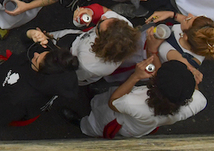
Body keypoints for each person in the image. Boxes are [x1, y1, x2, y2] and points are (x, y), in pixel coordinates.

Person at [0, 32, 80, 130]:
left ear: (42, 73)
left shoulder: (22, 99)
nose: (36, 54)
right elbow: (27, 40)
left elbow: (2, 113)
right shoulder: (53, 60)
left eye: (36, 60)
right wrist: (31, 34)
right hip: (7, 69)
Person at [76, 58, 207, 138]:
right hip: (141, 125)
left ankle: (82, 125)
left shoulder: (135, 103)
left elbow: (113, 102)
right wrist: (190, 80)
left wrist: (136, 76)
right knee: (100, 102)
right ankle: (93, 101)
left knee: (97, 121)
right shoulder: (198, 101)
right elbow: (196, 93)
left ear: (156, 83)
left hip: (119, 119)